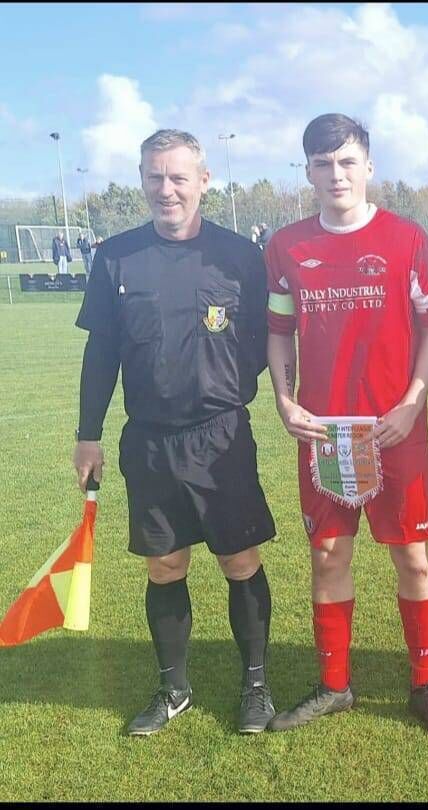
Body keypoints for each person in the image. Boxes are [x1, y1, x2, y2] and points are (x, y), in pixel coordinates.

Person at [72, 129, 277, 736]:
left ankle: (256, 686)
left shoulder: (239, 256)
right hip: (150, 440)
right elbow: (101, 352)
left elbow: (266, 342)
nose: (167, 189)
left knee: (239, 558)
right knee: (164, 566)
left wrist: (226, 384)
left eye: (178, 177)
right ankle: (173, 688)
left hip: (221, 436)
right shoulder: (117, 257)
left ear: (203, 181)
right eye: (155, 177)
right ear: (142, 179)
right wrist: (88, 433)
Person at [263, 114, 428, 736]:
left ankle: (425, 685)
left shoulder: (407, 240)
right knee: (327, 555)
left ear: (369, 166)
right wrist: (285, 401)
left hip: (395, 429)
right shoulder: (286, 247)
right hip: (323, 434)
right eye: (323, 164)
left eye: (347, 161)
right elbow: (279, 332)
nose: (336, 174)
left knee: (412, 557)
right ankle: (334, 685)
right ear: (308, 172)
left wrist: (412, 402)